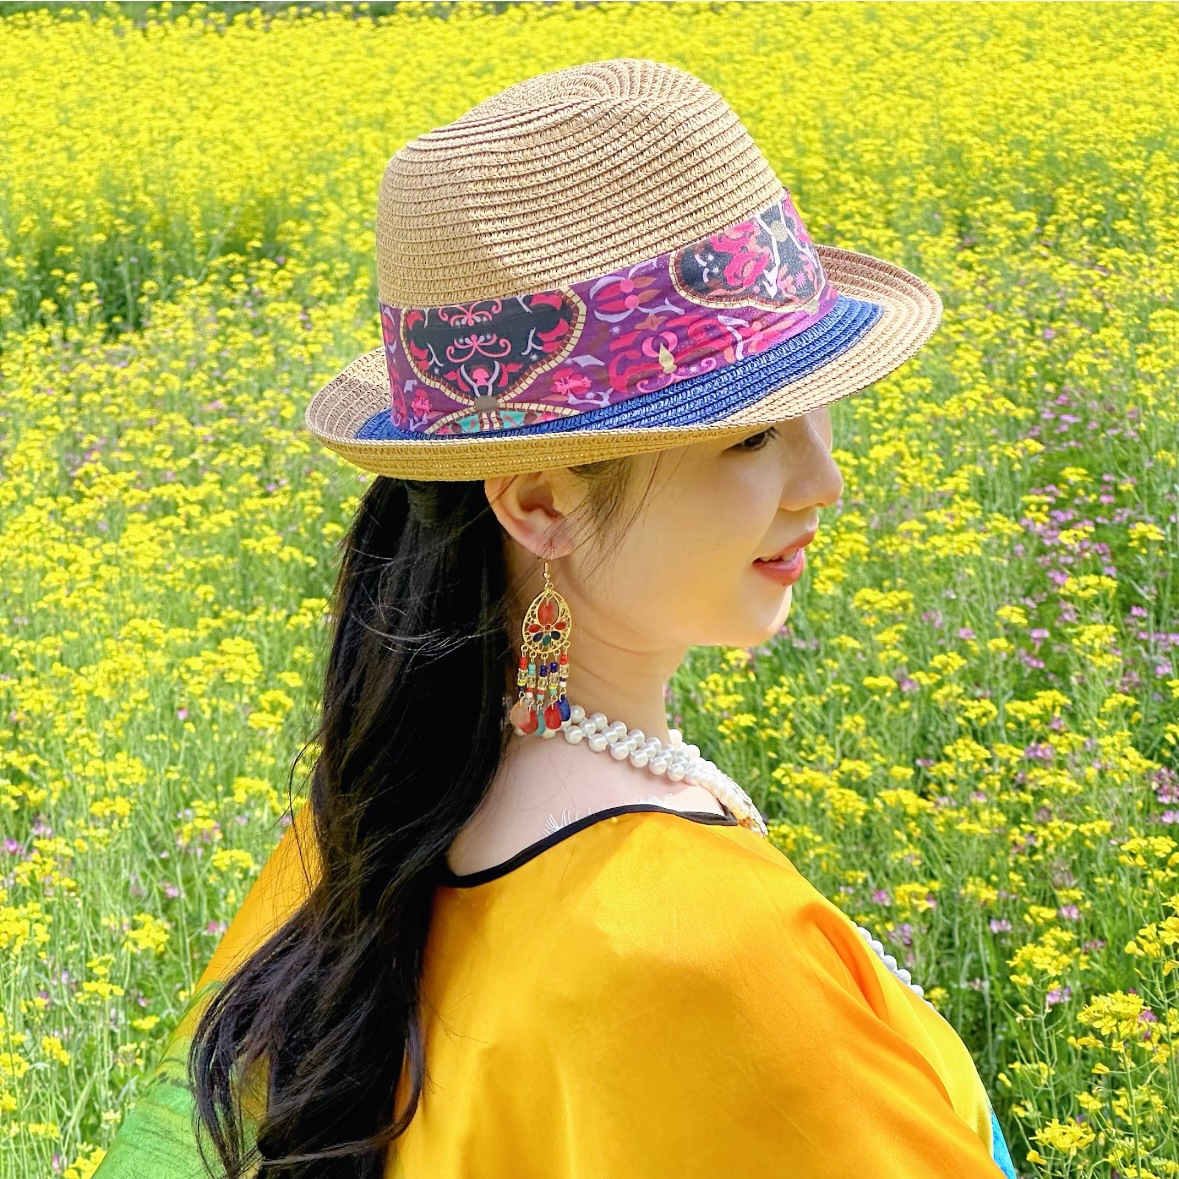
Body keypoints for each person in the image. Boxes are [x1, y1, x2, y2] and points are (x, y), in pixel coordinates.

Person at [95, 58, 1018, 1179]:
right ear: (537, 503)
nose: (823, 482)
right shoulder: (712, 952)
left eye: (814, 410)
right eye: (749, 436)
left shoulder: (351, 852)